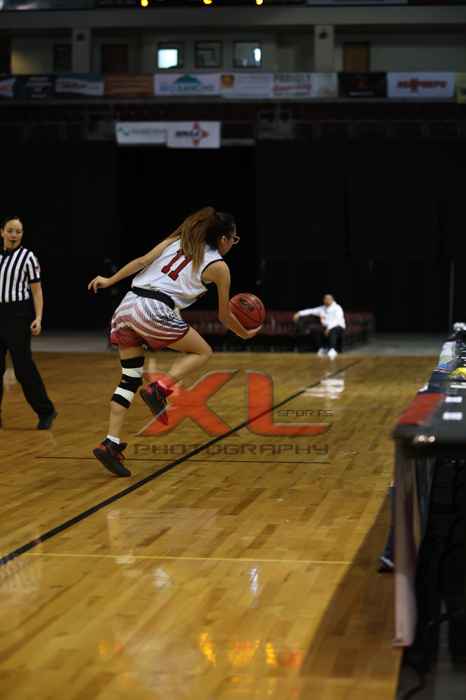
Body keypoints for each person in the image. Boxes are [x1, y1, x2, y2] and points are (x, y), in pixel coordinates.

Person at [88, 206, 260, 477]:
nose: (233, 244)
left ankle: (110, 443)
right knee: (203, 352)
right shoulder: (219, 266)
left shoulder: (178, 240)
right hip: (154, 310)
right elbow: (224, 316)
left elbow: (141, 261)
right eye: (234, 239)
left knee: (129, 380)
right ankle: (159, 388)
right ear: (223, 238)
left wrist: (110, 280)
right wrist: (244, 333)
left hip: (126, 306)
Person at [0, 216, 57, 429]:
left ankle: (46, 411)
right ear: (2, 232)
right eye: (10, 230)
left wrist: (38, 317)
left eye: (18, 231)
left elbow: (37, 290)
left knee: (23, 368)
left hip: (17, 315)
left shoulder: (28, 257)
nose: (14, 235)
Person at [293, 293, 345, 359]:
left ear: (332, 300)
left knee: (333, 329)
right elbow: (311, 311)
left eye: (329, 299)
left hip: (337, 326)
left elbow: (337, 320)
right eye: (325, 299)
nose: (327, 300)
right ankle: (321, 348)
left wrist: (329, 328)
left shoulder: (337, 308)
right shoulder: (321, 308)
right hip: (325, 327)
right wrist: (299, 313)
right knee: (314, 329)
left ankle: (332, 349)